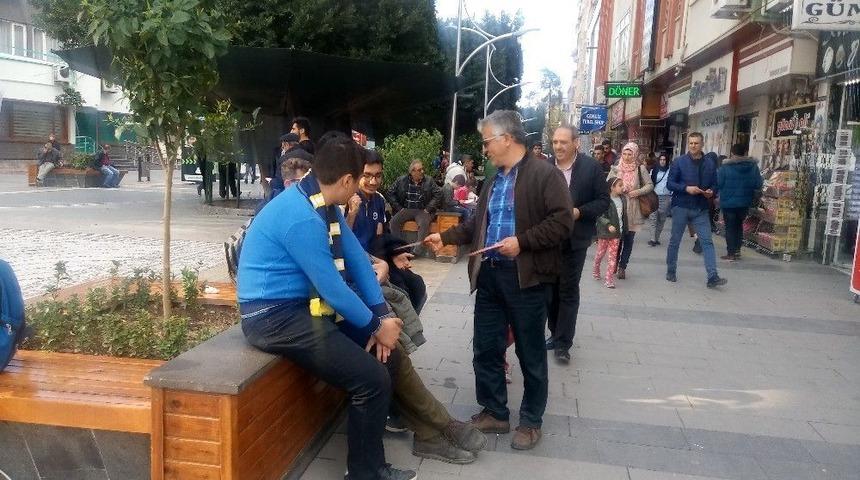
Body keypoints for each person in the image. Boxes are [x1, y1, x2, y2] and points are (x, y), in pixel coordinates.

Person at [237, 137, 414, 480]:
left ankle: (373, 452)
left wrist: (381, 317)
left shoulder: (322, 203)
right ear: (347, 180)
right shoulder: (302, 216)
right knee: (372, 379)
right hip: (270, 317)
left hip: (299, 307)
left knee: (384, 359)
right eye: (360, 180)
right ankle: (365, 473)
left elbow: (358, 262)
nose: (361, 188)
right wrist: (376, 328)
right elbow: (332, 289)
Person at [424, 110, 574, 451]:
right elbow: (478, 225)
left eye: (487, 141)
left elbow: (563, 222)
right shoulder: (492, 180)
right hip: (490, 274)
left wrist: (523, 242)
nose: (485, 149)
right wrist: (445, 237)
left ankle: (531, 420)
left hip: (526, 278)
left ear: (507, 138)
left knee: (530, 352)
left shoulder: (543, 175)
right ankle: (495, 411)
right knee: (486, 347)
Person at [545, 125, 610, 363]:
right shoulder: (545, 167)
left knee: (568, 290)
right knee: (550, 291)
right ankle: (554, 333)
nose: (558, 146)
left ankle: (564, 343)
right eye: (555, 142)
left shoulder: (591, 168)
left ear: (576, 143)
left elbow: (603, 201)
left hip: (575, 240)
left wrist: (579, 212)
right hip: (548, 241)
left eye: (563, 142)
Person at [345, 151, 428, 312]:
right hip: (353, 264)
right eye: (367, 175)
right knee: (399, 293)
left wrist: (394, 254)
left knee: (416, 285)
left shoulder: (379, 200)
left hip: (375, 258)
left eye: (378, 175)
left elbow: (379, 237)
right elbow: (340, 240)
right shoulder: (346, 199)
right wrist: (351, 215)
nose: (373, 181)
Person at [666, 132, 728, 288]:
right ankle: (671, 270)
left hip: (700, 208)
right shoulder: (679, 162)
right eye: (691, 143)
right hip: (681, 206)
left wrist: (711, 192)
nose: (693, 146)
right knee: (675, 241)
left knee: (707, 241)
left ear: (702, 144)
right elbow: (670, 184)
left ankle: (712, 276)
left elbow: (715, 184)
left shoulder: (709, 163)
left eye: (696, 143)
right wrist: (686, 188)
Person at [608, 142, 654, 280]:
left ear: (635, 154)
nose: (627, 157)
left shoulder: (640, 169)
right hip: (617, 208)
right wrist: (618, 189)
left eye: (630, 154)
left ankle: (623, 267)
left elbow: (650, 185)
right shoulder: (616, 168)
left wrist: (636, 192)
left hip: (633, 209)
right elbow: (608, 184)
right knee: (617, 239)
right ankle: (614, 263)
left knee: (628, 240)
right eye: (625, 154)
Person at [717, 143, 763, 261]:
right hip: (745, 202)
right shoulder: (753, 167)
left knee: (730, 227)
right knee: (739, 226)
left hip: (728, 203)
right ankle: (737, 250)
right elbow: (758, 184)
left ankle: (731, 253)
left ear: (732, 153)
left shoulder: (724, 168)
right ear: (745, 152)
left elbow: (719, 184)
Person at [388, 160, 441, 256]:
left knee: (424, 223)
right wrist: (399, 208)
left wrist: (428, 208)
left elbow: (438, 194)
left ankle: (416, 252)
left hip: (422, 209)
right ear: (412, 171)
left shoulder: (429, 180)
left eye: (422, 169)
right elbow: (390, 192)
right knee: (393, 222)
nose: (422, 172)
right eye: (420, 170)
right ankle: (399, 248)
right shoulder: (402, 180)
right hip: (406, 209)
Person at [593, 178, 626, 288]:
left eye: (622, 185)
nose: (622, 187)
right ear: (612, 187)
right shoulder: (605, 200)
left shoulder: (623, 199)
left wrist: (624, 229)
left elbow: (623, 216)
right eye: (620, 185)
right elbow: (600, 215)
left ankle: (609, 280)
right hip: (605, 233)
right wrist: (608, 225)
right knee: (600, 254)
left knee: (612, 257)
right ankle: (596, 268)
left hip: (616, 234)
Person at [648, 153, 672, 246]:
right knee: (653, 218)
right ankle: (652, 239)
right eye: (661, 159)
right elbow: (650, 183)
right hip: (654, 196)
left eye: (664, 160)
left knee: (661, 219)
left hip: (665, 197)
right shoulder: (654, 170)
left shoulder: (670, 171)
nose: (662, 161)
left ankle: (656, 238)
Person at [271, 133, 303, 199]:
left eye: (283, 147)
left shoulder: (284, 159)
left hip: (289, 195)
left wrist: (271, 182)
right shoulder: (309, 157)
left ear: (287, 145)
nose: (283, 150)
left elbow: (279, 183)